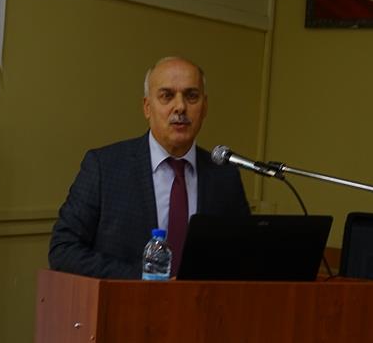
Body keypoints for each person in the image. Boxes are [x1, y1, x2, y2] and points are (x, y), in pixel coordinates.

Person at [49, 56, 249, 279]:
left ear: (204, 107)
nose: (180, 107)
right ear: (147, 107)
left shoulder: (224, 176)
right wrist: (145, 280)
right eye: (167, 96)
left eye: (191, 96)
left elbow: (242, 255)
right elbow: (63, 249)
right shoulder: (104, 167)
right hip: (125, 298)